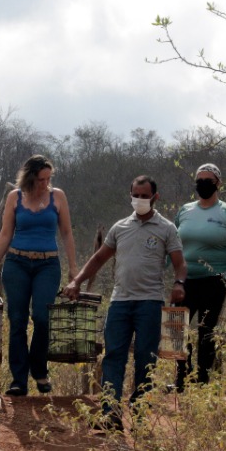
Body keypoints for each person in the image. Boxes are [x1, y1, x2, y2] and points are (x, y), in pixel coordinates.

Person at [63, 176, 186, 430]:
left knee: (145, 358)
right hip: (120, 302)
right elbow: (99, 259)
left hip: (150, 303)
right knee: (113, 356)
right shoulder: (119, 227)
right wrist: (76, 281)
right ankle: (111, 413)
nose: (139, 200)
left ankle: (140, 414)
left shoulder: (166, 228)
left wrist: (179, 283)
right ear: (129, 195)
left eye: (144, 196)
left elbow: (179, 263)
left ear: (155, 197)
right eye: (136, 195)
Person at [0, 155, 79, 396]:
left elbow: (66, 232)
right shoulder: (15, 197)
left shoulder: (58, 196)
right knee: (17, 321)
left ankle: (40, 370)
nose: (46, 183)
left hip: (48, 264)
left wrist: (74, 269)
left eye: (49, 178)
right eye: (41, 179)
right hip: (17, 262)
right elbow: (5, 234)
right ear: (30, 178)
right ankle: (19, 380)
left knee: (43, 318)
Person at [174, 163, 226, 386]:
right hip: (185, 281)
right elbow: (172, 242)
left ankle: (203, 379)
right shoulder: (184, 211)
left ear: (218, 183)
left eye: (208, 180)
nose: (203, 184)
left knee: (207, 331)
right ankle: (181, 377)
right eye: (199, 180)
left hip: (217, 280)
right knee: (177, 328)